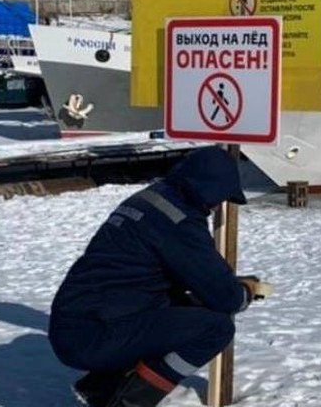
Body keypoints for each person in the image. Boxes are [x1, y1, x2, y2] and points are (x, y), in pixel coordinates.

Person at [48, 146, 264, 407]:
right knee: (216, 328)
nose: (218, 206)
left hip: (75, 320)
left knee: (178, 307)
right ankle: (128, 402)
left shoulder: (151, 199)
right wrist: (246, 291)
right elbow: (224, 298)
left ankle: (100, 386)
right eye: (220, 197)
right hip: (94, 333)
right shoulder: (179, 221)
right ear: (208, 189)